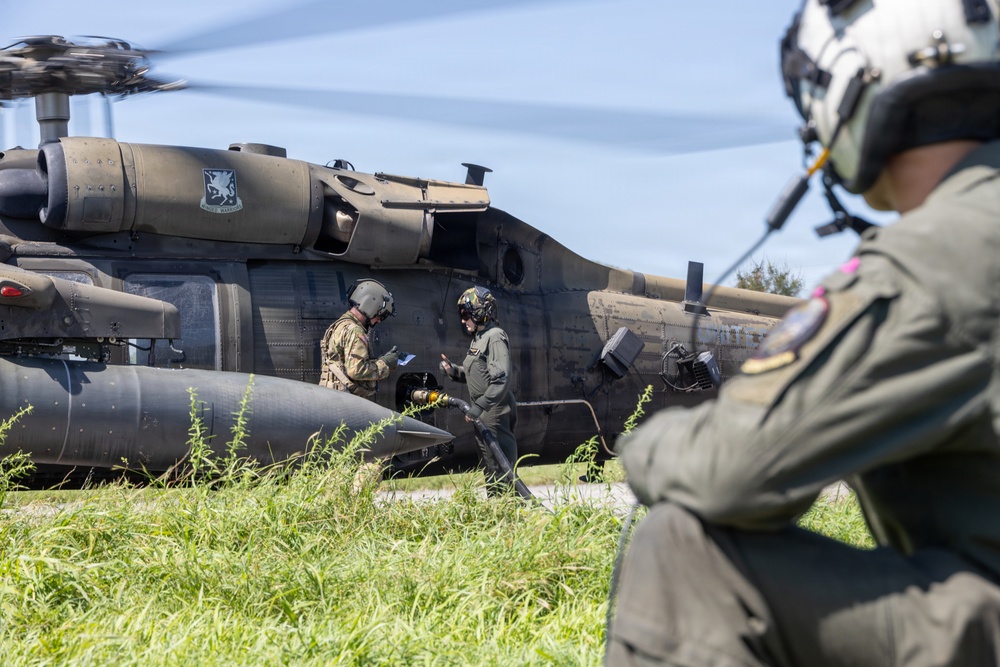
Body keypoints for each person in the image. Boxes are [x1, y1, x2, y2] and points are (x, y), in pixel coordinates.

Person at [607, 1, 1000, 665]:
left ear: (850, 87)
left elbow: (732, 469)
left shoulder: (937, 256)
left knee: (681, 551)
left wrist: (643, 445)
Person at [440, 286, 518, 493]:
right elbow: (476, 373)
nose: (463, 320)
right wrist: (453, 371)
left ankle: (509, 509)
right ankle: (496, 508)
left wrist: (480, 406)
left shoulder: (495, 336)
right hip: (483, 411)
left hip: (493, 410)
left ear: (481, 312)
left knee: (501, 465)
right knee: (489, 465)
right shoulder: (479, 338)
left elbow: (501, 378)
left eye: (466, 314)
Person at [319, 278, 399, 399]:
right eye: (380, 315)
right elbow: (357, 370)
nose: (378, 320)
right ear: (371, 307)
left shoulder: (340, 325)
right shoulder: (355, 330)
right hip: (343, 399)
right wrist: (385, 363)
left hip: (331, 395)